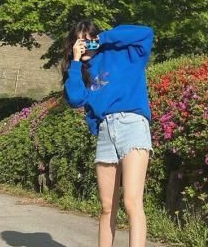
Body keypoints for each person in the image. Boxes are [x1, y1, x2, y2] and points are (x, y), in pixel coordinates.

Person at [62, 20, 154, 247]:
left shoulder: (124, 54)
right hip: (105, 132)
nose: (82, 45)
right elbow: (74, 99)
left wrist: (101, 40)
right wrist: (75, 61)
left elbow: (145, 33)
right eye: (78, 41)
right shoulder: (82, 71)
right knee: (106, 208)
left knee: (132, 202)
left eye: (86, 40)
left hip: (132, 124)